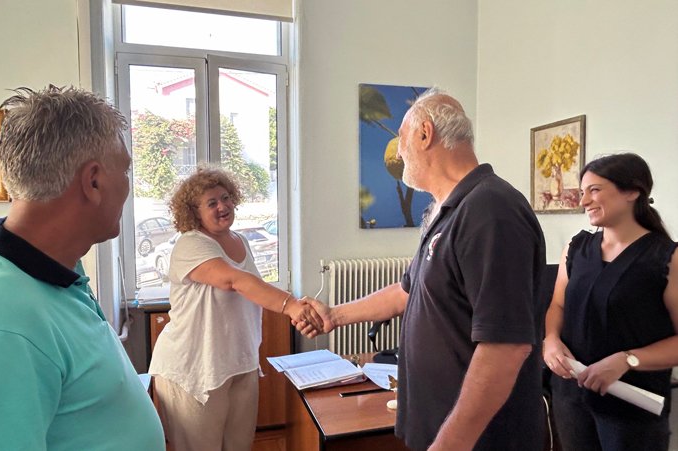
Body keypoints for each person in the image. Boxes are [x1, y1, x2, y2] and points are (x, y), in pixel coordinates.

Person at [298, 87, 547, 451]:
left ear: (425, 133)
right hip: (437, 424)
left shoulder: (490, 210)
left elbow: (505, 347)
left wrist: (449, 444)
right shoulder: (447, 210)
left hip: (480, 440)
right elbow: (408, 291)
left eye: (401, 138)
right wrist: (334, 316)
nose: (399, 151)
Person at [0, 85, 165, 450]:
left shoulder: (59, 269)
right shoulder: (1, 321)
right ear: (93, 181)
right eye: (125, 170)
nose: (127, 186)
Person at [148, 166, 322, 451]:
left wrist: (295, 307)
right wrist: (291, 305)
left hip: (239, 363)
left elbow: (253, 288)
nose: (223, 206)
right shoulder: (190, 244)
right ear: (194, 212)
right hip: (194, 369)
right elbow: (234, 281)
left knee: (240, 445)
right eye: (211, 203)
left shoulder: (240, 240)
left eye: (226, 198)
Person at [543, 153, 678, 451]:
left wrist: (627, 360)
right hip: (571, 397)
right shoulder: (576, 248)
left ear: (632, 192)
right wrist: (550, 339)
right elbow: (558, 306)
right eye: (582, 192)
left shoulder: (667, 258)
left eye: (594, 190)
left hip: (632, 405)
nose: (583, 201)